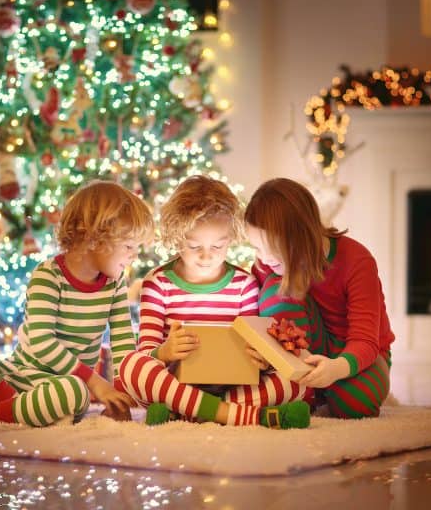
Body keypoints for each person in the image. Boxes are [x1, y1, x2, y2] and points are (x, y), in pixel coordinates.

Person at [0, 181, 154, 426]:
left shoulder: (114, 285)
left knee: (75, 392)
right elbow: (41, 342)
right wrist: (96, 382)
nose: (134, 256)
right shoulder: (48, 276)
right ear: (94, 237)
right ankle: (13, 409)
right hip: (17, 375)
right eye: (128, 246)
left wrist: (120, 397)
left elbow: (124, 342)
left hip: (63, 387)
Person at [117, 175, 311, 429]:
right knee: (131, 366)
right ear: (177, 238)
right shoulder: (158, 283)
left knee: (298, 378)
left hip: (233, 387)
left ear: (230, 239)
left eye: (218, 246)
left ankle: (190, 412)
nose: (206, 256)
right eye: (194, 246)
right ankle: (239, 416)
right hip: (177, 386)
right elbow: (147, 352)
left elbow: (259, 350)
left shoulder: (244, 285)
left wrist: (261, 360)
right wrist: (165, 351)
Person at [244, 178, 393, 419]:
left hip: (356, 355)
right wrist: (260, 353)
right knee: (278, 289)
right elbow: (254, 322)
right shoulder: (266, 263)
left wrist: (337, 368)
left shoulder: (356, 260)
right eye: (257, 247)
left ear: (300, 236)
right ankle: (305, 390)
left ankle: (319, 389)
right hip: (305, 350)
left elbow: (366, 340)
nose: (265, 257)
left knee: (357, 404)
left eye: (272, 246)